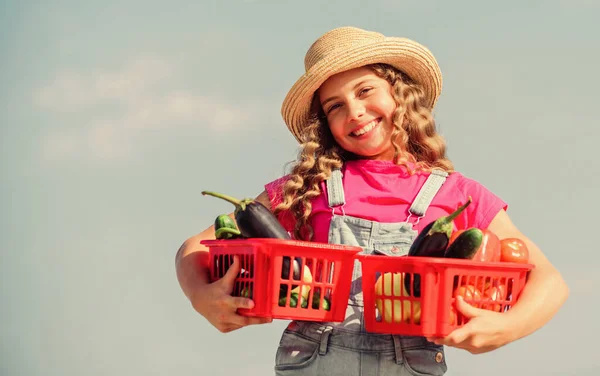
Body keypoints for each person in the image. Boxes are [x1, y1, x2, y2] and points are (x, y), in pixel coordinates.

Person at [175, 26, 569, 375]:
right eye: (335, 107)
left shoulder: (457, 193)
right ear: (325, 126)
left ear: (399, 94)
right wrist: (200, 296)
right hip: (315, 363)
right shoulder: (306, 187)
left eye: (365, 91)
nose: (355, 112)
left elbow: (549, 280)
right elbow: (193, 248)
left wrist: (508, 327)